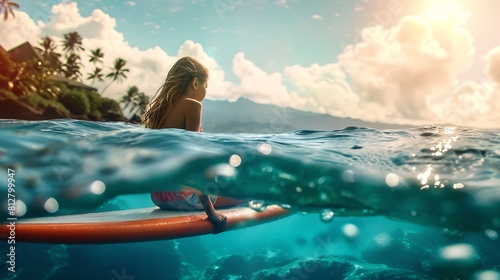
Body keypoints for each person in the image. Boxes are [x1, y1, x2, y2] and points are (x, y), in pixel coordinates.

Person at [142, 56, 240, 233]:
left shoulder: (160, 111)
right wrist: (210, 212)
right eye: (206, 86)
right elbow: (194, 163)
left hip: (159, 196)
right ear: (195, 83)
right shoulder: (193, 106)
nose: (205, 92)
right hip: (184, 197)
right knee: (243, 195)